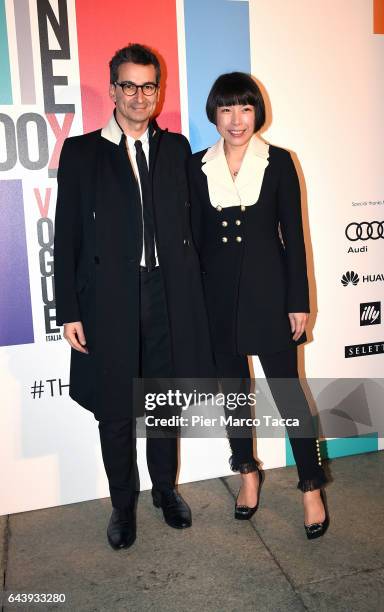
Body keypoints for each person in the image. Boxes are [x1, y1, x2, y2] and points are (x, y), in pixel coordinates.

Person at [54, 43, 214, 550]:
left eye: (149, 86)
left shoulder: (176, 149)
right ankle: (122, 503)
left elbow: (195, 228)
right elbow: (67, 239)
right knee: (117, 408)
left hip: (167, 295)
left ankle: (164, 490)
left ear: (158, 91)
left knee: (164, 402)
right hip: (109, 300)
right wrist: (71, 311)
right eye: (129, 85)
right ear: (113, 90)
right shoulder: (82, 153)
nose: (140, 95)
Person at [188, 72, 329, 539]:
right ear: (214, 114)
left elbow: (296, 239)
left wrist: (298, 300)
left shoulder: (280, 162)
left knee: (289, 392)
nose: (236, 120)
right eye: (226, 109)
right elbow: (194, 242)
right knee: (234, 393)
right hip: (216, 300)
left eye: (245, 109)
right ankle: (247, 472)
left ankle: (311, 486)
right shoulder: (196, 166)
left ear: (256, 113)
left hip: (270, 298)